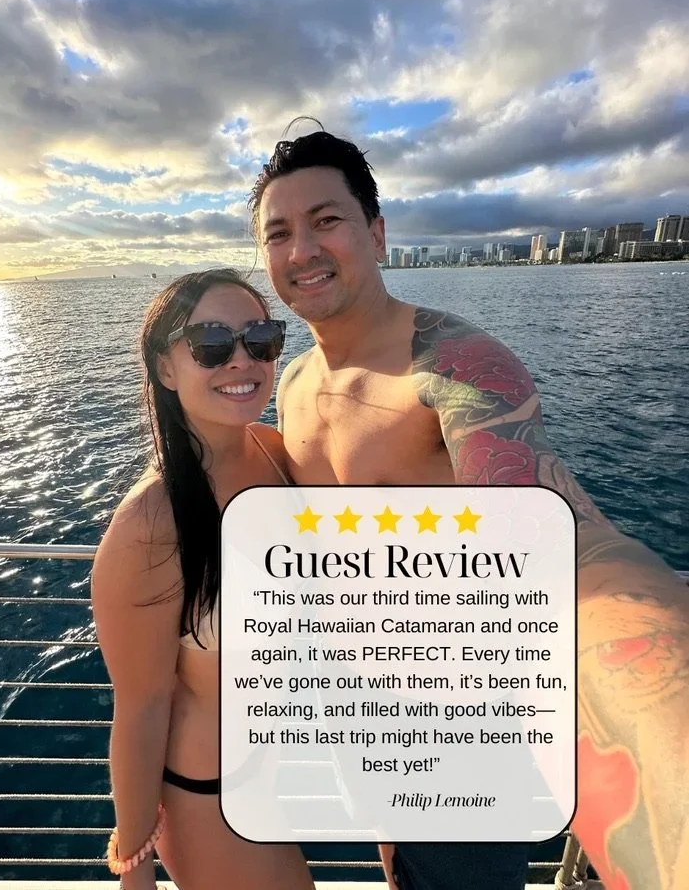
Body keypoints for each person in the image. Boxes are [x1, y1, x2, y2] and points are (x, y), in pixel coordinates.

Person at [248, 123, 689, 890]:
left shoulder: (453, 366)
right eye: (278, 233)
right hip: (365, 695)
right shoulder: (289, 381)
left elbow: (564, 543)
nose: (301, 251)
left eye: (326, 221)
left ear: (376, 234)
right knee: (402, 868)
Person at [91, 268, 315, 890]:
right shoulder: (150, 523)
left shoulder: (272, 452)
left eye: (260, 338)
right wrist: (134, 871)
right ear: (166, 368)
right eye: (211, 343)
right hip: (211, 796)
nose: (241, 360)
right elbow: (140, 709)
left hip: (279, 763)